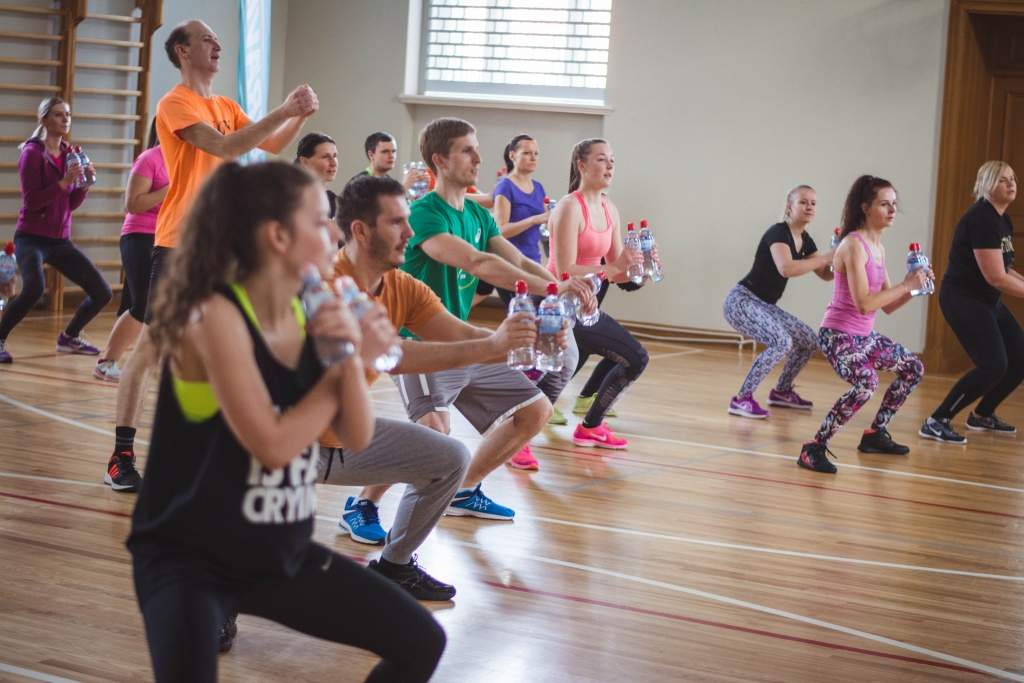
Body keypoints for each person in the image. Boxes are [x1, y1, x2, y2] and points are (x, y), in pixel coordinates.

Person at [128, 160, 444, 683]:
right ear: (277, 236)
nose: (336, 232)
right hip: (189, 560)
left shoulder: (312, 307)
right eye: (321, 221)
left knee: (422, 641)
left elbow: (356, 435)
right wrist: (344, 358)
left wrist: (350, 354)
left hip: (276, 551)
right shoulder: (213, 317)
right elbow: (272, 444)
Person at [105, 18, 317, 492]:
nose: (217, 44)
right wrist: (283, 106)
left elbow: (271, 144)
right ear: (182, 51)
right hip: (180, 242)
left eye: (217, 38)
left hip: (223, 247)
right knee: (151, 348)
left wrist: (298, 115)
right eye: (206, 39)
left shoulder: (224, 103)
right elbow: (225, 146)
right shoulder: (175, 103)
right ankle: (121, 455)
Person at [324, 174, 549, 579]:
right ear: (359, 230)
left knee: (449, 458)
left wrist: (517, 340)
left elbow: (461, 333)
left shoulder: (402, 287)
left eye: (408, 220)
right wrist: (492, 346)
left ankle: (394, 568)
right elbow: (395, 355)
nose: (410, 232)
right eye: (396, 223)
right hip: (277, 442)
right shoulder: (326, 287)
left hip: (341, 437)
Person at [389, 116, 592, 506]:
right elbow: (476, 263)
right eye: (467, 150)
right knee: (435, 435)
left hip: (462, 341)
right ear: (440, 161)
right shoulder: (424, 213)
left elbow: (517, 259)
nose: (478, 158)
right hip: (422, 348)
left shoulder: (478, 215)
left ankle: (463, 489)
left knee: (535, 410)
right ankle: (363, 503)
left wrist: (556, 284)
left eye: (476, 148)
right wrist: (551, 287)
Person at [797, 175, 928, 474]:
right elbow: (864, 303)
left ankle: (875, 435)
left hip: (864, 337)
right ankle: (813, 448)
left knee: (913, 368)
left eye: (894, 204)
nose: (892, 210)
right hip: (838, 336)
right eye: (885, 204)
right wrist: (907, 283)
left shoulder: (877, 247)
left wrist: (917, 286)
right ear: (865, 207)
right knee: (866, 383)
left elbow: (889, 304)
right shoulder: (853, 245)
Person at [547, 138, 648, 450]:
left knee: (636, 359)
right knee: (548, 378)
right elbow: (565, 270)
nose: (610, 166)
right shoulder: (569, 207)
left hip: (587, 309)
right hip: (558, 307)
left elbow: (616, 273)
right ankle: (518, 434)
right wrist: (615, 266)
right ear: (582, 165)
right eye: (602, 159)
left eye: (612, 160)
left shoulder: (609, 209)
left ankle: (591, 427)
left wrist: (639, 268)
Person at [0, 97, 110, 364]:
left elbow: (69, 205)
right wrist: (63, 183)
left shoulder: (71, 154)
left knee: (102, 292)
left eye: (68, 115)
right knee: (34, 288)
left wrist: (82, 188)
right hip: (31, 237)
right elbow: (32, 201)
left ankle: (70, 337)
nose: (65, 119)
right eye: (59, 115)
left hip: (60, 240)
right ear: (44, 119)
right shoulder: (31, 154)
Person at [919, 161, 1022, 442]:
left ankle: (982, 415)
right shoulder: (982, 219)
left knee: (1019, 358)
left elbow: (1006, 269)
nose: (1011, 184)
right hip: (963, 300)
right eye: (1003, 180)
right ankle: (937, 419)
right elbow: (996, 277)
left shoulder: (1003, 219)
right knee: (993, 365)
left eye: (1013, 178)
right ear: (986, 184)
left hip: (988, 301)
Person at [722, 185, 835, 418]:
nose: (809, 207)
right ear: (789, 207)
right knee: (781, 341)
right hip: (741, 302)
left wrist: (840, 259)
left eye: (813, 203)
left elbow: (826, 275)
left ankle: (782, 391)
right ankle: (741, 399)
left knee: (807, 340)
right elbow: (786, 268)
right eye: (803, 202)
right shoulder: (778, 233)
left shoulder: (805, 240)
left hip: (765, 305)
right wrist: (825, 257)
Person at [94, 122, 167, 382]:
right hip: (140, 235)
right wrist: (169, 190)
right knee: (144, 304)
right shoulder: (150, 159)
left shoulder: (189, 161)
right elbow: (133, 204)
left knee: (147, 304)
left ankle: (150, 362)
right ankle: (106, 363)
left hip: (168, 238)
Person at [294, 131, 338, 219]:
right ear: (304, 162)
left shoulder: (332, 201)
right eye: (325, 157)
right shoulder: (289, 199)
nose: (333, 163)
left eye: (335, 156)